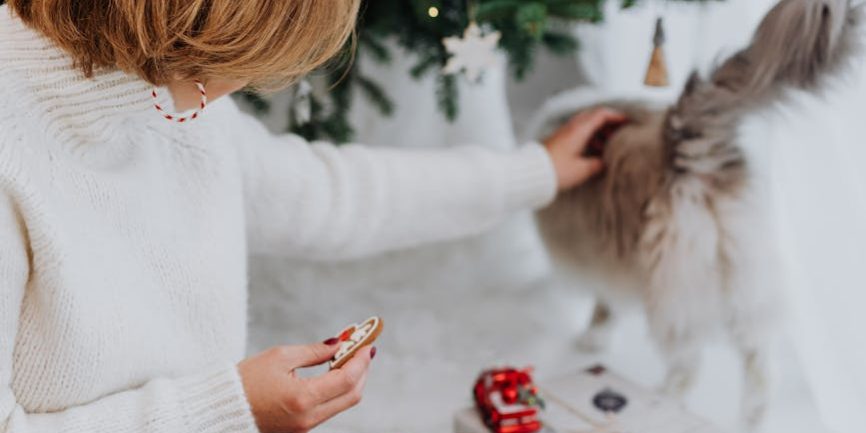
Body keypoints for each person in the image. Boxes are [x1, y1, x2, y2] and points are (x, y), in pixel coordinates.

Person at [0, 1, 624, 433]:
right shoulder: (27, 148)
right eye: (236, 66)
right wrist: (231, 410)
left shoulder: (165, 91)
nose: (243, 85)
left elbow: (334, 195)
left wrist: (536, 171)